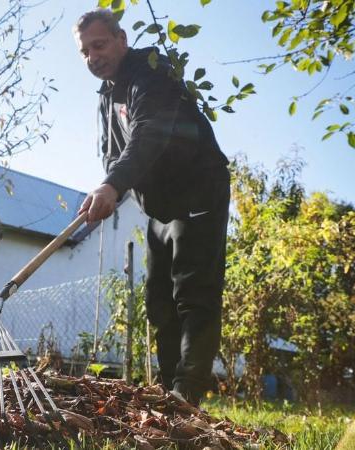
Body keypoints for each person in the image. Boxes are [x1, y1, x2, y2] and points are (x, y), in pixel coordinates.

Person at [74, 9, 230, 406]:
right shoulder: (107, 97)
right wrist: (108, 189)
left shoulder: (151, 72)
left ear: (121, 39)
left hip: (197, 189)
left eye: (99, 45)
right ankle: (167, 392)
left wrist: (113, 184)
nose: (93, 56)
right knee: (159, 300)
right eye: (85, 51)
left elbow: (149, 132)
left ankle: (186, 394)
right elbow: (113, 156)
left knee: (193, 292)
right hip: (160, 205)